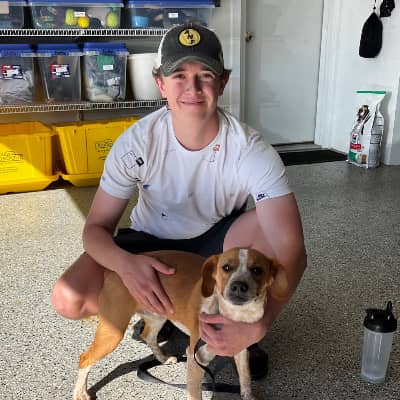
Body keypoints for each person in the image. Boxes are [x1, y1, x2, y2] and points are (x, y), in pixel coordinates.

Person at [51, 23, 307, 380]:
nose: (193, 88)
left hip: (216, 244)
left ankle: (236, 317)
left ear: (223, 82)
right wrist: (126, 266)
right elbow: (95, 229)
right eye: (179, 75)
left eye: (206, 75)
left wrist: (259, 325)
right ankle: (160, 307)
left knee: (270, 228)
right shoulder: (135, 143)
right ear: (160, 84)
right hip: (149, 241)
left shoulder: (251, 149)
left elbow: (293, 250)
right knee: (69, 298)